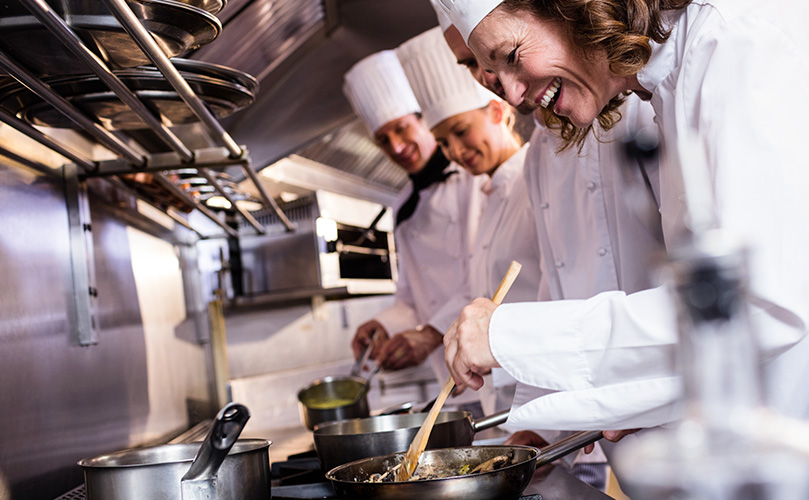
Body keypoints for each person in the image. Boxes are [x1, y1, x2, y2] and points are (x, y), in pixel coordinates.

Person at [439, 0, 809, 446]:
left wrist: (506, 337)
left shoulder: (735, 41)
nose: (513, 95)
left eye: (513, 56)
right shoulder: (665, 84)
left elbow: (758, 303)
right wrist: (647, 395)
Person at [428, 1, 665, 490]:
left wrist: (508, 339)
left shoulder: (636, 99)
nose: (497, 82)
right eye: (475, 65)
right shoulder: (540, 152)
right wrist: (535, 432)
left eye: (500, 56)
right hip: (628, 434)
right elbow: (555, 292)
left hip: (691, 412)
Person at [398, 26, 542, 416]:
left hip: (552, 402)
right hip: (512, 402)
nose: (456, 151)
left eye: (461, 132)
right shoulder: (489, 195)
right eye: (444, 142)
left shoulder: (537, 174)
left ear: (498, 111)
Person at [343, 50, 483, 380]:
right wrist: (384, 325)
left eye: (401, 129)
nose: (396, 147)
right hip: (448, 370)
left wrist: (432, 333)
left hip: (492, 359)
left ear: (425, 121)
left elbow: (485, 277)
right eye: (383, 140)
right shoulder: (403, 205)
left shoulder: (474, 179)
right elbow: (409, 297)